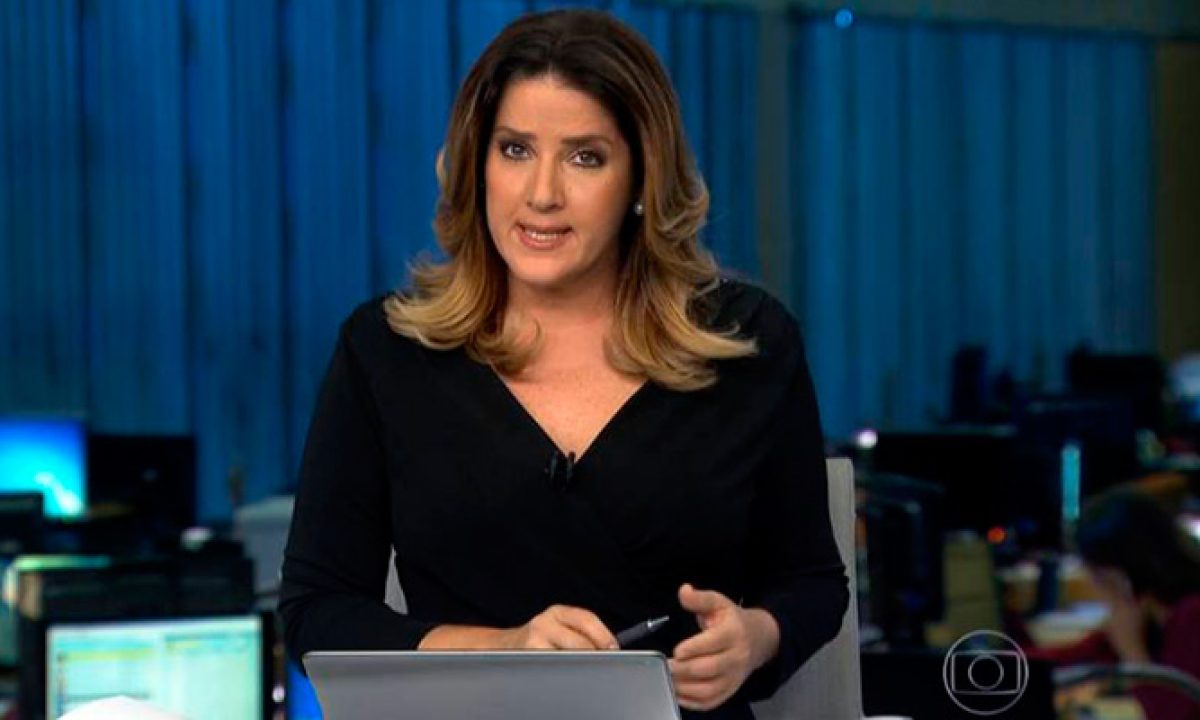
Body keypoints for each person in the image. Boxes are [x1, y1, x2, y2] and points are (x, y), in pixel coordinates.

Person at [278, 9, 848, 718]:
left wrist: (754, 638)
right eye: (515, 149)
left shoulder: (749, 342)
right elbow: (317, 611)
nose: (542, 193)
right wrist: (504, 649)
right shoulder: (384, 351)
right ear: (477, 163)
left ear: (641, 179)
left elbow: (812, 582)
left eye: (585, 158)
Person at [1039, 486, 1200, 720]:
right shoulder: (1145, 616)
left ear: (1118, 575)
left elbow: (1171, 714)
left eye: (1095, 572)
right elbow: (1074, 659)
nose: (1093, 583)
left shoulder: (1191, 616)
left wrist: (1131, 648)